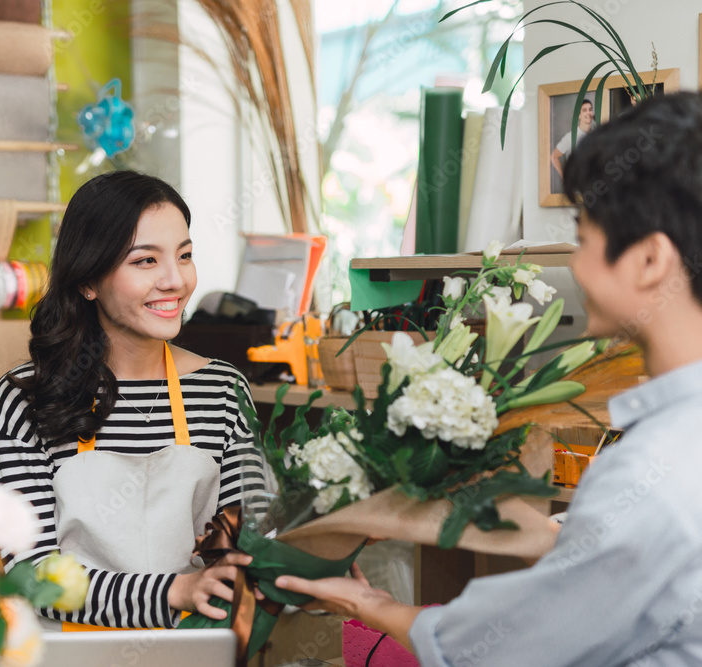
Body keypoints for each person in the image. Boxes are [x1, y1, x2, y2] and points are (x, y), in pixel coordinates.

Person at [275, 92, 702, 665]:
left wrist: (369, 604)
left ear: (649, 260)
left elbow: (521, 643)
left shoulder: (657, 468)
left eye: (584, 234)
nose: (575, 261)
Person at [0, 171, 261, 629]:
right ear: (88, 280)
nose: (175, 280)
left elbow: (245, 545)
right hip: (73, 655)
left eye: (185, 255)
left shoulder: (223, 391)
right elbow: (31, 576)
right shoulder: (27, 397)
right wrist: (175, 591)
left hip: (194, 652)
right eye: (145, 261)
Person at [551, 98, 595, 179]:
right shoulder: (570, 137)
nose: (588, 113)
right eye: (584, 110)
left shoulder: (595, 134)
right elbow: (554, 156)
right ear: (579, 115)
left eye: (590, 109)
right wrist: (565, 178)